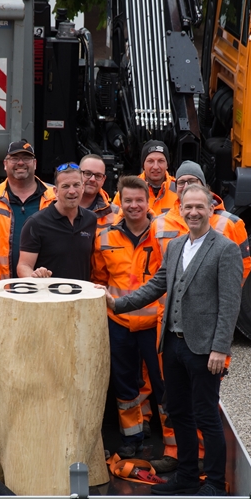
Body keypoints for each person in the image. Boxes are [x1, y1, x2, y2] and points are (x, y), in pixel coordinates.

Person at [104, 184, 243, 496]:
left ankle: (216, 485)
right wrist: (118, 303)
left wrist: (220, 348)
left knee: (206, 415)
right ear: (180, 209)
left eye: (199, 207)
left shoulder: (225, 249)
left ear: (211, 210)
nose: (193, 212)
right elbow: (157, 284)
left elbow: (230, 303)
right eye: (188, 207)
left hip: (204, 349)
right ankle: (188, 478)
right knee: (178, 411)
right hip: (173, 344)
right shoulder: (177, 245)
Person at [92, 175, 176, 464]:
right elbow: (99, 278)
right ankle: (132, 440)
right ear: (119, 202)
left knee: (164, 385)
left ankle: (172, 444)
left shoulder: (164, 234)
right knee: (125, 386)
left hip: (155, 324)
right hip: (119, 324)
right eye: (127, 200)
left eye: (139, 200)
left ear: (148, 201)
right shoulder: (105, 236)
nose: (133, 205)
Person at [152, 160, 251, 281]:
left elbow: (243, 267)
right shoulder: (159, 223)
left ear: (203, 185)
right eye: (181, 182)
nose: (186, 186)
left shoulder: (231, 224)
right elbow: (156, 268)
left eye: (192, 181)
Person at [0, 141, 54, 278]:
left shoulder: (54, 196)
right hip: (3, 286)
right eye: (14, 158)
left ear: (35, 164)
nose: (20, 163)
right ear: (5, 164)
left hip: (47, 283)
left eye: (26, 158)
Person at [17, 163, 97, 280]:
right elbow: (23, 266)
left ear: (83, 187)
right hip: (49, 297)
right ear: (55, 191)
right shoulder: (36, 223)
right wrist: (35, 276)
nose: (72, 191)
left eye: (76, 185)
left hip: (81, 296)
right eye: (65, 186)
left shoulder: (91, 219)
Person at [113, 140, 178, 217]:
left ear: (167, 165)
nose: (156, 167)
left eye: (161, 161)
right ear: (143, 165)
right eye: (150, 161)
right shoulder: (127, 189)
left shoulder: (179, 189)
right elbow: (114, 221)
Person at [78, 154, 119, 230]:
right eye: (87, 173)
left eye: (98, 176)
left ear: (103, 180)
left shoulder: (117, 214)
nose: (92, 179)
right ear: (77, 174)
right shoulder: (57, 207)